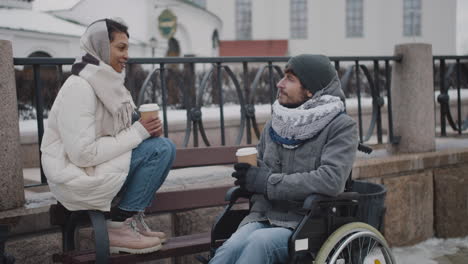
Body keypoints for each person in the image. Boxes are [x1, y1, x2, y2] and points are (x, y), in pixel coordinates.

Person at [40, 18, 176, 254]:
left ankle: (130, 220)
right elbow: (82, 154)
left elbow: (121, 130)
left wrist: (144, 129)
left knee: (162, 146)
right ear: (101, 47)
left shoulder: (109, 82)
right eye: (120, 48)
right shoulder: (80, 87)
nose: (126, 55)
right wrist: (139, 132)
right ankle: (119, 225)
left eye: (127, 48)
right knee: (161, 148)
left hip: (96, 167)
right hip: (76, 176)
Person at [209, 54, 359, 263]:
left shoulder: (341, 127)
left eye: (290, 79)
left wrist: (267, 182)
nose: (279, 84)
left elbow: (331, 180)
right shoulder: (276, 123)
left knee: (259, 243)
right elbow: (263, 168)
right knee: (230, 248)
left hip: (307, 221)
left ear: (310, 90)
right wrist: (250, 176)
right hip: (265, 215)